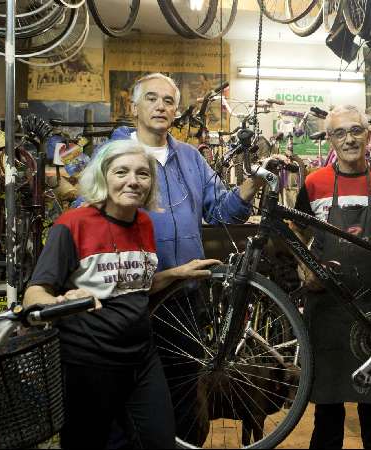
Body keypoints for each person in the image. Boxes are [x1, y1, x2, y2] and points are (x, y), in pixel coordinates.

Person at [97, 72, 270, 445]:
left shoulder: (190, 158)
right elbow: (89, 220)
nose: (161, 106)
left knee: (185, 397)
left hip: (185, 301)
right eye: (152, 99)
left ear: (176, 110)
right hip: (130, 301)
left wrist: (252, 182)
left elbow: (222, 212)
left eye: (169, 101)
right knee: (127, 402)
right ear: (134, 106)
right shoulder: (112, 156)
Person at [24, 140, 220, 449]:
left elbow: (131, 285)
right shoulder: (73, 225)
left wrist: (175, 274)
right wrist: (60, 303)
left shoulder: (142, 223)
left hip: (142, 357)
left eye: (143, 173)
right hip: (88, 362)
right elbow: (33, 295)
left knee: (159, 442)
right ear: (104, 176)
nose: (133, 180)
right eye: (121, 172)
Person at [292, 105, 371, 449]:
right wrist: (303, 265)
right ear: (330, 140)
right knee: (326, 418)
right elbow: (294, 229)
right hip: (327, 309)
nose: (349, 139)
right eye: (340, 132)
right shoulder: (313, 183)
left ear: (369, 136)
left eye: (356, 131)